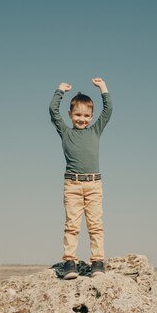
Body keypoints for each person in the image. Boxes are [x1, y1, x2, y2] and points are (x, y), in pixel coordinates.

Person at [49, 78, 112, 280]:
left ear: (92, 116)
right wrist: (60, 91)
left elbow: (108, 109)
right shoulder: (66, 133)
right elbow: (52, 111)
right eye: (77, 115)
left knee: (95, 225)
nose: (82, 119)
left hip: (94, 184)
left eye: (86, 115)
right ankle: (70, 263)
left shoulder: (95, 130)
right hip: (72, 185)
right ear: (70, 115)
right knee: (72, 225)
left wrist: (103, 88)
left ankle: (98, 263)